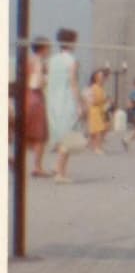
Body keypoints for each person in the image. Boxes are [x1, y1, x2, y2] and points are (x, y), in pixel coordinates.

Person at [46, 28, 86, 184]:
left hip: (53, 101)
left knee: (62, 134)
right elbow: (73, 84)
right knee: (69, 136)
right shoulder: (72, 61)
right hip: (67, 101)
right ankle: (60, 174)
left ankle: (57, 167)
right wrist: (80, 104)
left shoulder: (52, 60)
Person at [25, 36, 51, 177]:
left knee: (27, 131)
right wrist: (46, 79)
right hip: (36, 97)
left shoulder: (27, 60)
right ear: (43, 48)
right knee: (40, 134)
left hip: (25, 97)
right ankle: (37, 166)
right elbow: (36, 83)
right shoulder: (39, 62)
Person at [86, 69, 110, 154]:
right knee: (99, 130)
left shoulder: (101, 88)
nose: (101, 78)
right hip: (95, 110)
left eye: (102, 76)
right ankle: (97, 148)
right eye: (99, 76)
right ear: (95, 78)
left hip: (101, 110)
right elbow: (93, 100)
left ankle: (93, 144)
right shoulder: (94, 87)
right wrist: (104, 100)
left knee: (101, 129)